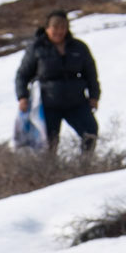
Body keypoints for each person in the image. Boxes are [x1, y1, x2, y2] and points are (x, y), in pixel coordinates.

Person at [16, 10, 101, 152]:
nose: (59, 31)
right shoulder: (37, 48)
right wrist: (22, 97)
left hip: (76, 101)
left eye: (63, 27)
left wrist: (94, 96)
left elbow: (91, 74)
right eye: (55, 27)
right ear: (47, 28)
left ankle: (86, 166)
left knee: (90, 131)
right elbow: (23, 75)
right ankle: (51, 171)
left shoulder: (79, 47)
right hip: (48, 104)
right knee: (49, 142)